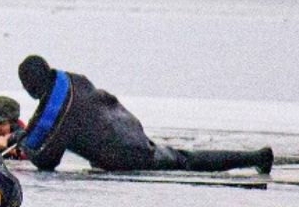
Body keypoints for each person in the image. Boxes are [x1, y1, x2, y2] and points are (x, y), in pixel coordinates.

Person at [15, 55, 274, 173]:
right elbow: (46, 114)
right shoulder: (71, 80)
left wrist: (26, 146)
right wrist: (26, 134)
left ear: (32, 84)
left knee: (187, 162)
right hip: (129, 130)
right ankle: (253, 158)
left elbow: (47, 161)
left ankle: (255, 157)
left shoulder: (62, 111)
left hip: (125, 155)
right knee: (181, 157)